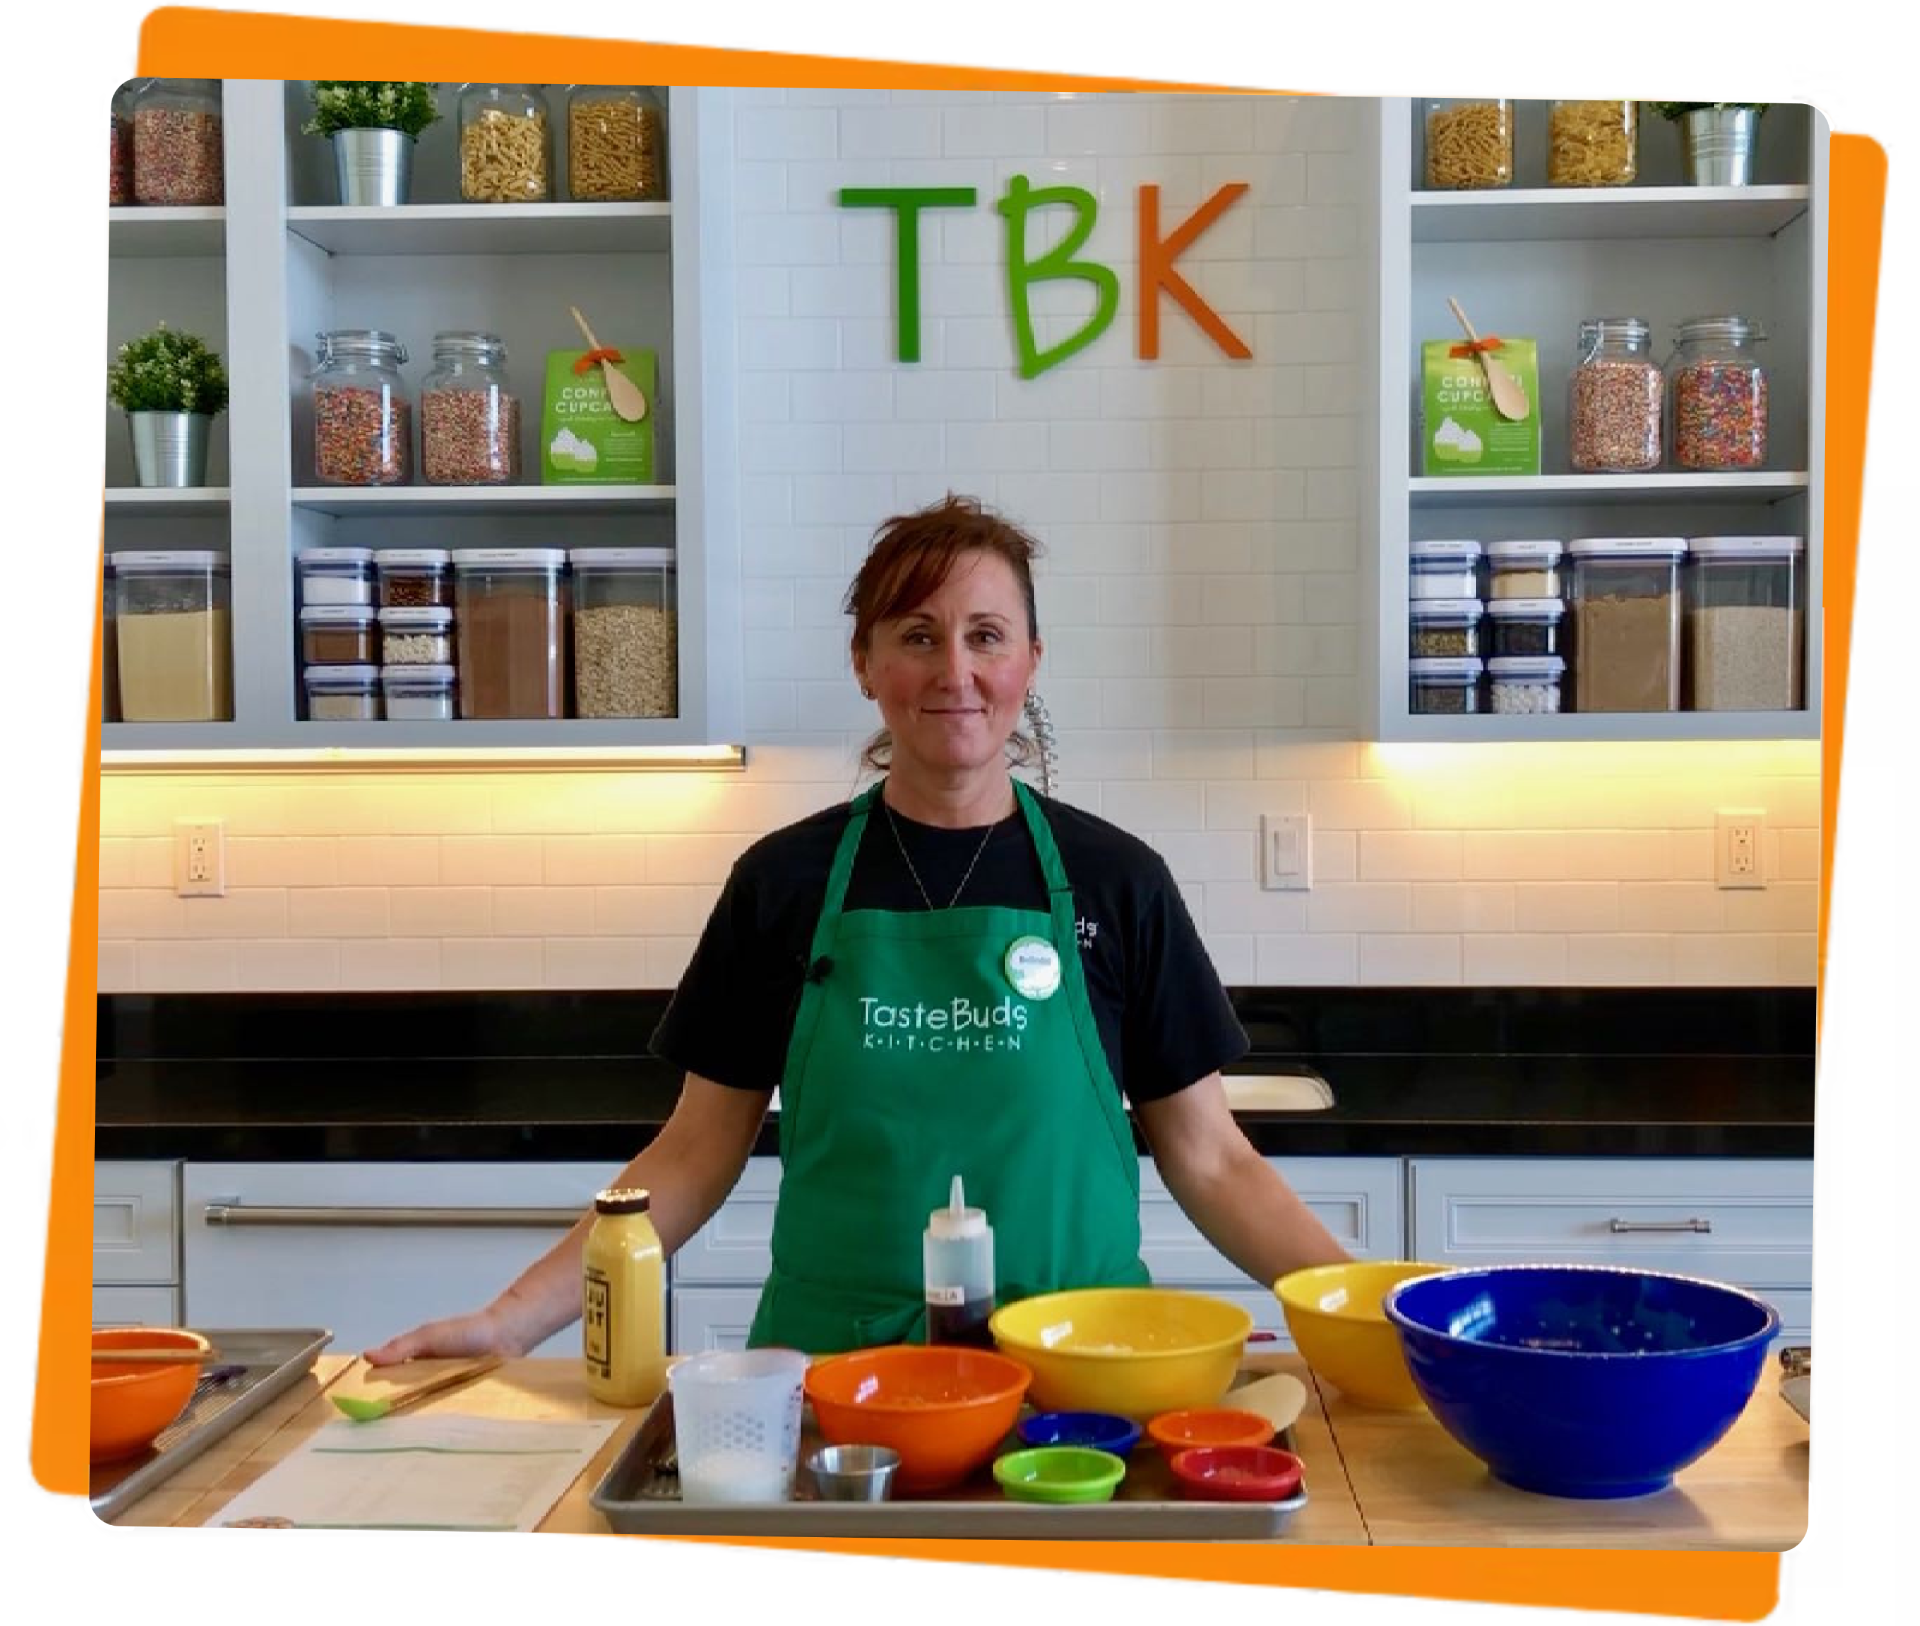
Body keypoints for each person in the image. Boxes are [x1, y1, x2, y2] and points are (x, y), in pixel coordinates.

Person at [366, 494, 1351, 1367]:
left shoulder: (1117, 881)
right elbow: (692, 1153)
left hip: (1076, 1383)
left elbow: (1214, 1160)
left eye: (986, 636)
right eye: (918, 636)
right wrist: (511, 1321)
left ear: (1031, 661)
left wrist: (1373, 1312)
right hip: (838, 1383)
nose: (954, 670)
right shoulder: (784, 883)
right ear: (866, 663)